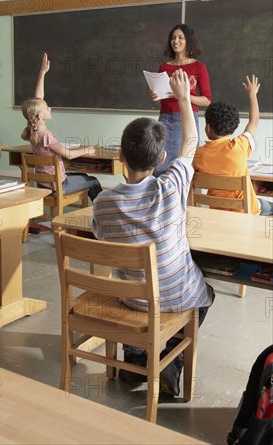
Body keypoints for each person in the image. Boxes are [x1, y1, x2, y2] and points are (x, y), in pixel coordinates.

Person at [93, 69, 214, 396]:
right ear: (161, 158)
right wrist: (185, 98)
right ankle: (167, 362)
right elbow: (190, 141)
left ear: (120, 156)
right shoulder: (171, 187)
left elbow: (102, 236)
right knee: (207, 293)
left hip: (132, 300)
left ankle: (135, 354)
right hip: (173, 298)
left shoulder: (102, 203)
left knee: (136, 285)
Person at [21, 53, 102, 201]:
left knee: (83, 177)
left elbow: (38, 100)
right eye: (47, 108)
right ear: (39, 116)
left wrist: (42, 73)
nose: (50, 108)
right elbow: (69, 155)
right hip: (58, 185)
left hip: (43, 184)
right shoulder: (47, 136)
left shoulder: (33, 131)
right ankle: (102, 216)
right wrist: (88, 149)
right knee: (93, 181)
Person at [193, 75, 273, 216]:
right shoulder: (240, 146)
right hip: (247, 212)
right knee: (266, 206)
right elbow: (254, 121)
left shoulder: (199, 154)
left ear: (208, 128)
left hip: (216, 212)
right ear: (232, 127)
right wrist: (252, 94)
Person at [150, 24, 212, 175]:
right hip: (164, 117)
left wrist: (183, 96)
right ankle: (161, 196)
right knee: (159, 162)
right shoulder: (164, 66)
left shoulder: (198, 66)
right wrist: (156, 97)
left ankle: (181, 197)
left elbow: (206, 100)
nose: (175, 41)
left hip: (187, 117)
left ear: (188, 41)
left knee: (182, 163)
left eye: (180, 37)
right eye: (173, 37)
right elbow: (162, 99)